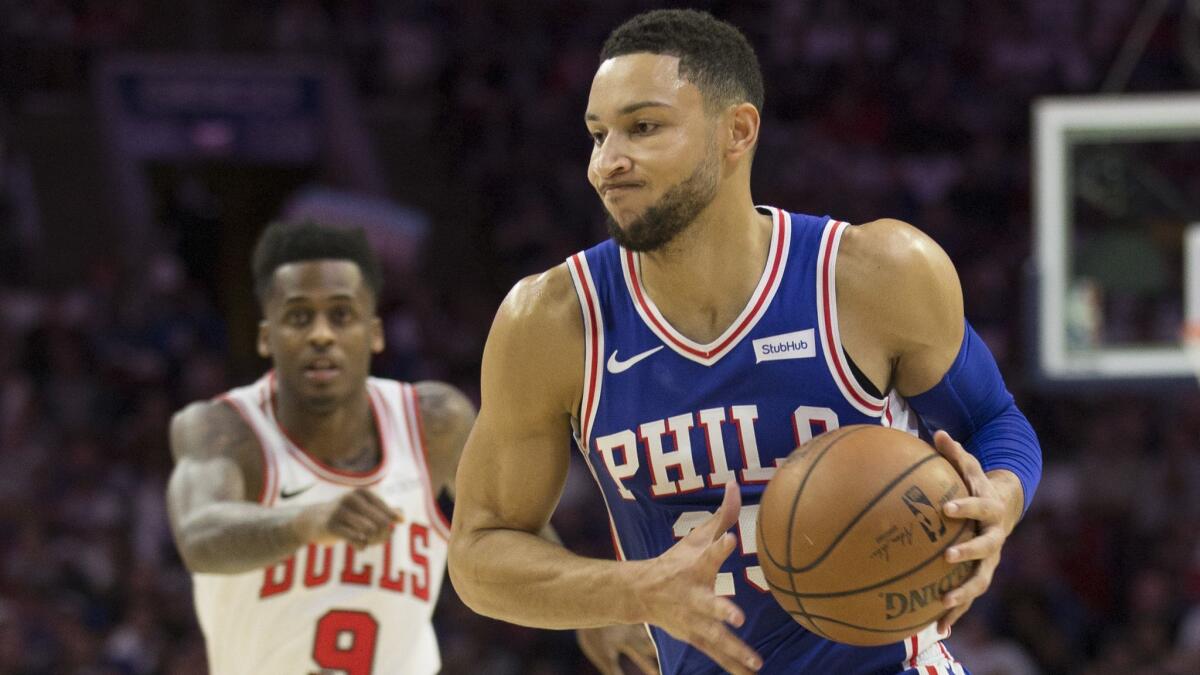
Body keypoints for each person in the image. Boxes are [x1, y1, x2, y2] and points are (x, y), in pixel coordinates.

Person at [448, 9, 1041, 675]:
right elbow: (478, 551)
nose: (606, 163)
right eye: (597, 135)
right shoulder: (552, 321)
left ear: (737, 131)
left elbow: (995, 420)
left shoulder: (875, 274)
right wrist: (629, 589)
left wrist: (998, 502)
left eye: (643, 127)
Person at [166, 221, 652, 674]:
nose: (320, 335)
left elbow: (513, 526)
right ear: (267, 338)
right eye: (298, 318)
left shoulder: (432, 422)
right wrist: (307, 521)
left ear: (373, 332)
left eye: (341, 315)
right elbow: (199, 533)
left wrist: (594, 611)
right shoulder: (223, 430)